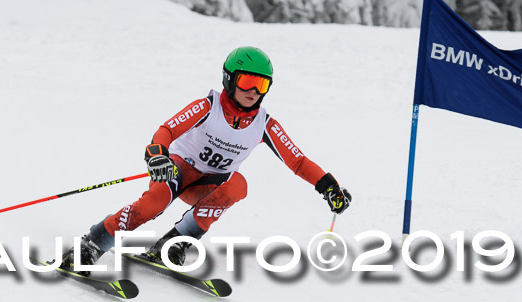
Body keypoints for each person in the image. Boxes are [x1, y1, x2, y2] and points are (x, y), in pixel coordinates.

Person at [61, 46, 352, 274]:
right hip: (177, 170)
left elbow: (298, 161)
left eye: (261, 85)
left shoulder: (265, 124)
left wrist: (328, 186)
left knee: (238, 185)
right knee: (153, 204)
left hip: (210, 185)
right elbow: (167, 129)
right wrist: (157, 154)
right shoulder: (208, 105)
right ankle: (92, 245)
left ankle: (176, 242)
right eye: (247, 81)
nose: (253, 91)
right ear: (229, 78)